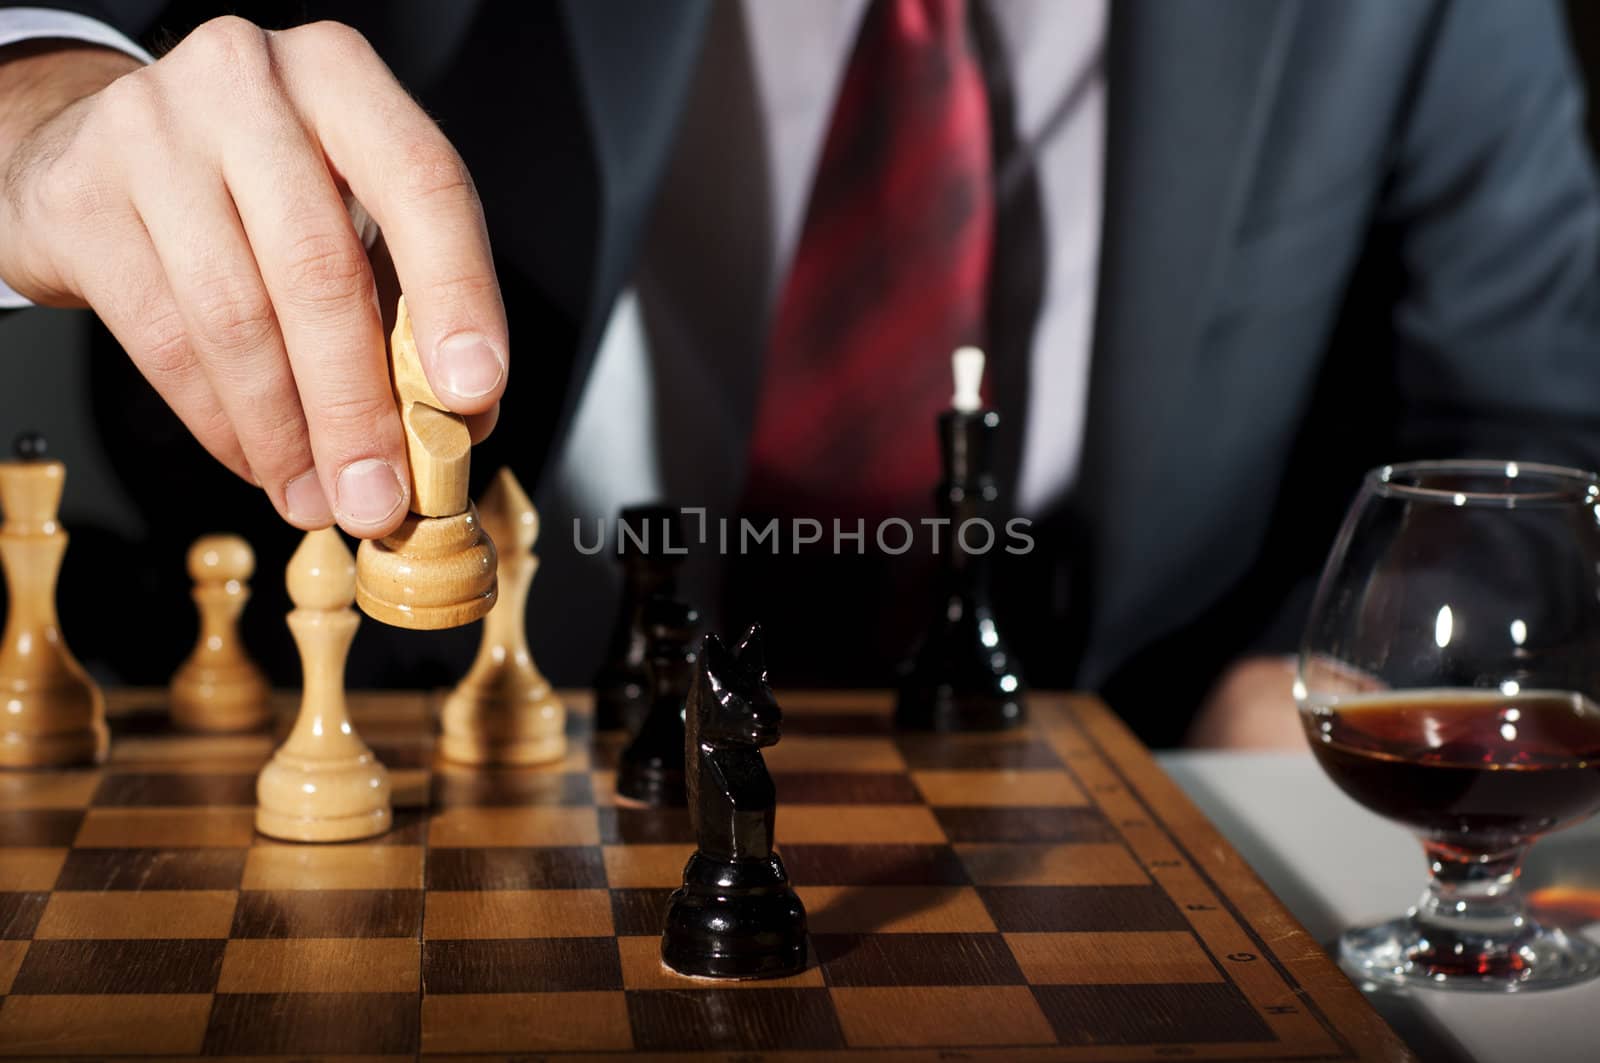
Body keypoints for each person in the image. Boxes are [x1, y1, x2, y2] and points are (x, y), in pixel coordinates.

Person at [2, 0, 1597, 748]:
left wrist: (1311, 681)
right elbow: (71, 54)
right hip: (455, 754)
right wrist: (38, 108)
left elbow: (1526, 423)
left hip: (1115, 766)